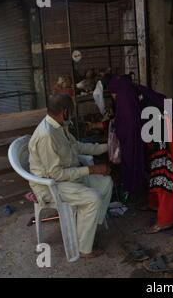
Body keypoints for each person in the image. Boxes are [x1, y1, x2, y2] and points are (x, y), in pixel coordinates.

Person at [28, 94, 113, 258]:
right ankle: (84, 248)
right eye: (71, 111)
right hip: (50, 185)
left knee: (106, 183)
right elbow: (56, 174)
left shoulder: (60, 126)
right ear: (65, 112)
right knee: (92, 198)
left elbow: (77, 147)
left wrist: (107, 147)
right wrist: (92, 170)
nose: (72, 115)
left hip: (67, 176)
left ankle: (87, 230)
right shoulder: (47, 135)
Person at [108, 75, 173, 234]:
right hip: (154, 133)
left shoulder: (126, 98)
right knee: (155, 171)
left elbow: (128, 126)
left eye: (114, 94)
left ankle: (165, 220)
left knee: (164, 176)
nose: (114, 98)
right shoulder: (133, 93)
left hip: (164, 134)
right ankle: (154, 204)